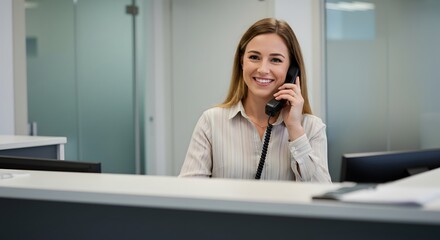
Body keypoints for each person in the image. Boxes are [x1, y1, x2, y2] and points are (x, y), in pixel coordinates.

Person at [179, 18, 331, 182]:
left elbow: (322, 198)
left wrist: (295, 128)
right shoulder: (211, 122)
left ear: (291, 70)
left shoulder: (311, 127)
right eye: (254, 57)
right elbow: (189, 191)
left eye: (276, 60)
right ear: (242, 61)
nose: (263, 69)